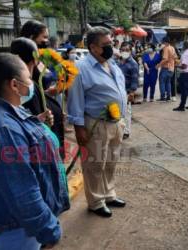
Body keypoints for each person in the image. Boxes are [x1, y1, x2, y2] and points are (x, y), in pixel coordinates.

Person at [0, 53, 70, 250]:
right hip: (19, 225)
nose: (31, 84)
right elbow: (22, 190)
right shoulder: (2, 128)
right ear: (14, 85)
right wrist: (48, 230)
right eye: (29, 78)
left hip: (16, 220)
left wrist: (36, 122)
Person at [67, 27, 127, 218]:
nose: (111, 47)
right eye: (106, 45)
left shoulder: (111, 63)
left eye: (111, 43)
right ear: (93, 47)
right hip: (95, 124)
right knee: (94, 164)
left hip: (116, 122)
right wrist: (79, 128)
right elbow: (75, 101)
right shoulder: (81, 69)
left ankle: (109, 194)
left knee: (110, 162)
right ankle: (96, 201)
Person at [20, 22, 65, 157]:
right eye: (43, 37)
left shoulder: (41, 60)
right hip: (38, 113)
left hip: (50, 112)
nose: (46, 41)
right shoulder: (23, 63)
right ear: (31, 37)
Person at [173, 41, 188, 111]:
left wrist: (177, 66)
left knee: (184, 91)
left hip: (185, 74)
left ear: (184, 46)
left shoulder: (185, 54)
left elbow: (184, 66)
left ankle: (181, 106)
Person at [157, 37, 178, 101]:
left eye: (163, 42)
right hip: (172, 68)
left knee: (162, 82)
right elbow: (175, 57)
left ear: (165, 42)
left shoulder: (166, 48)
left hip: (165, 68)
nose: (162, 43)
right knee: (168, 82)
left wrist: (158, 65)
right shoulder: (172, 48)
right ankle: (168, 96)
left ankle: (162, 97)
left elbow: (165, 59)